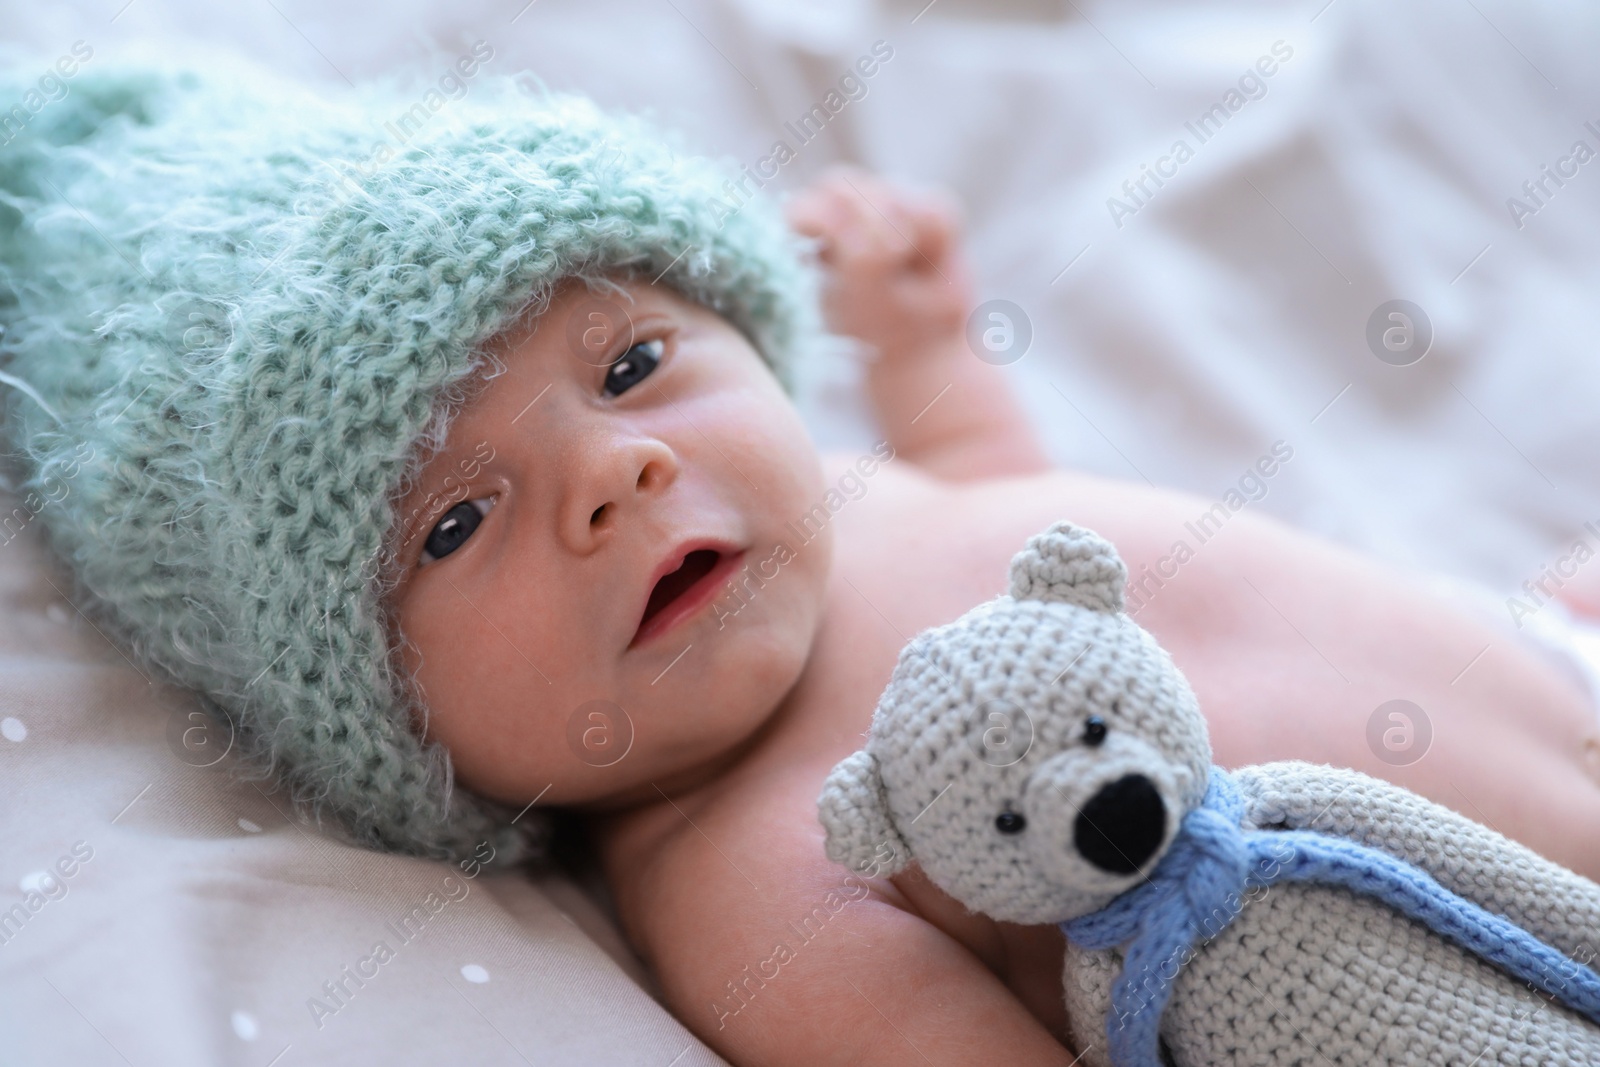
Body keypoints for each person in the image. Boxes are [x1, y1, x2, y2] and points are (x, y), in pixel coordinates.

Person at [4, 61, 1597, 1066]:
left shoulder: (852, 494)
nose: (614, 473)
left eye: (628, 368)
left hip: (1541, 650)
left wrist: (923, 356)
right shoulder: (744, 873)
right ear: (383, 723)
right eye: (455, 521)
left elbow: (1007, 500)